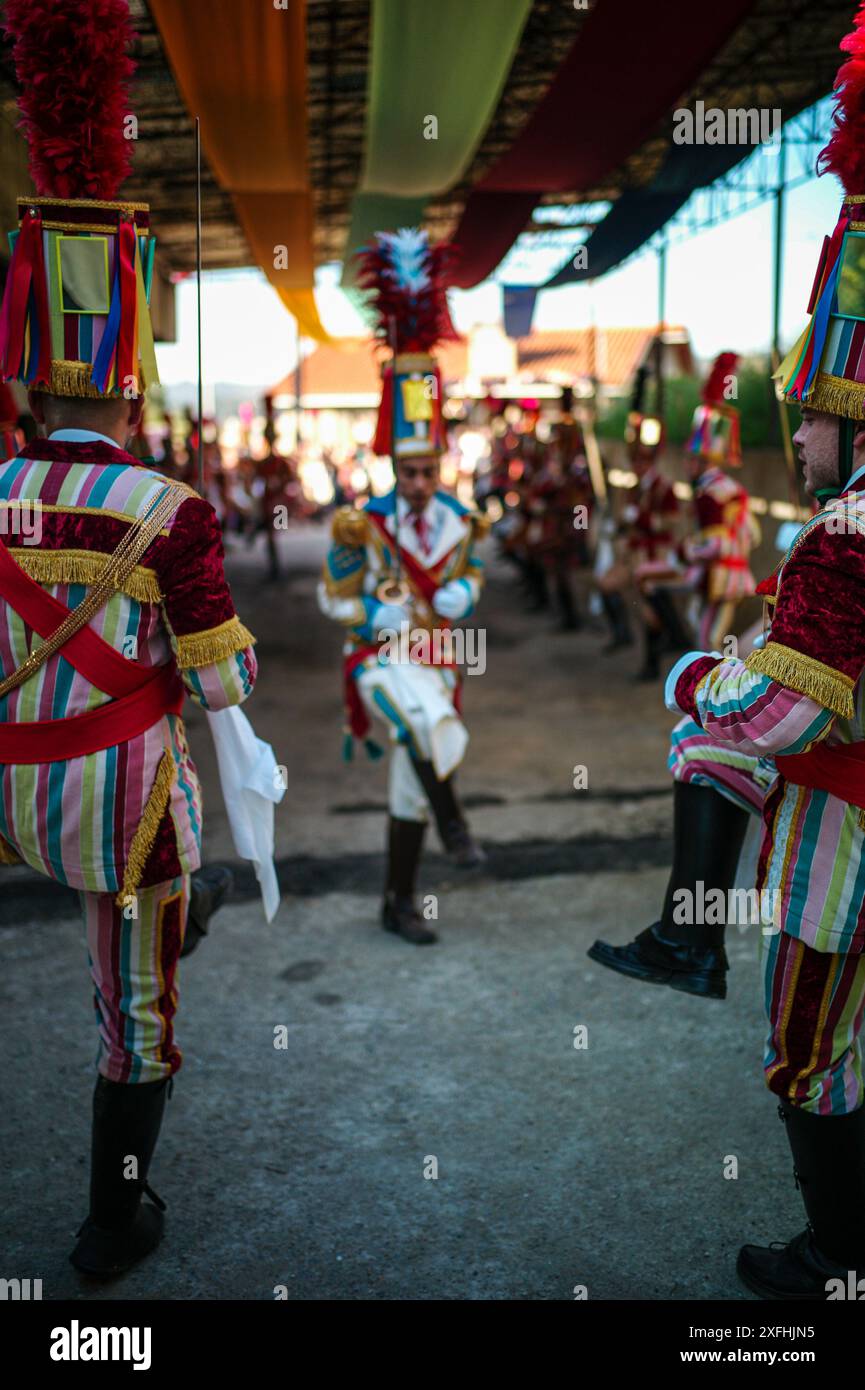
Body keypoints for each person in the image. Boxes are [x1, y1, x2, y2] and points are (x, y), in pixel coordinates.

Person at [595, 8, 865, 1296]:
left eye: (807, 412)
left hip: (848, 857)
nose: (794, 436)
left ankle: (835, 1254)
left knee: (816, 1052)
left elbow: (768, 722)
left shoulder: (846, 534)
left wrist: (703, 680)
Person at [0, 0, 257, 1278]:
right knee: (138, 1019)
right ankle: (113, 1221)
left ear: (27, 369)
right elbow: (229, 680)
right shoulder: (172, 509)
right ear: (125, 368)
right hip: (127, 806)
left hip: (14, 794)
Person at [318, 228, 487, 947]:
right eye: (407, 472)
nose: (418, 485)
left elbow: (467, 574)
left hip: (437, 659)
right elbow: (331, 599)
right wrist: (369, 611)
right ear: (393, 465)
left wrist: (466, 595)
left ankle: (397, 900)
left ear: (440, 465)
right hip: (376, 659)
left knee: (413, 774)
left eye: (428, 472)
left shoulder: (463, 520)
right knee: (421, 731)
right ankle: (456, 825)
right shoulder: (360, 525)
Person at [681, 352, 756, 650]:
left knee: (706, 638)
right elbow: (752, 534)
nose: (687, 465)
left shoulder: (709, 494)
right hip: (738, 570)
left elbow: (714, 544)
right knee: (711, 632)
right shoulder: (733, 488)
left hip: (719, 573)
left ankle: (706, 687)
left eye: (690, 459)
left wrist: (688, 551)